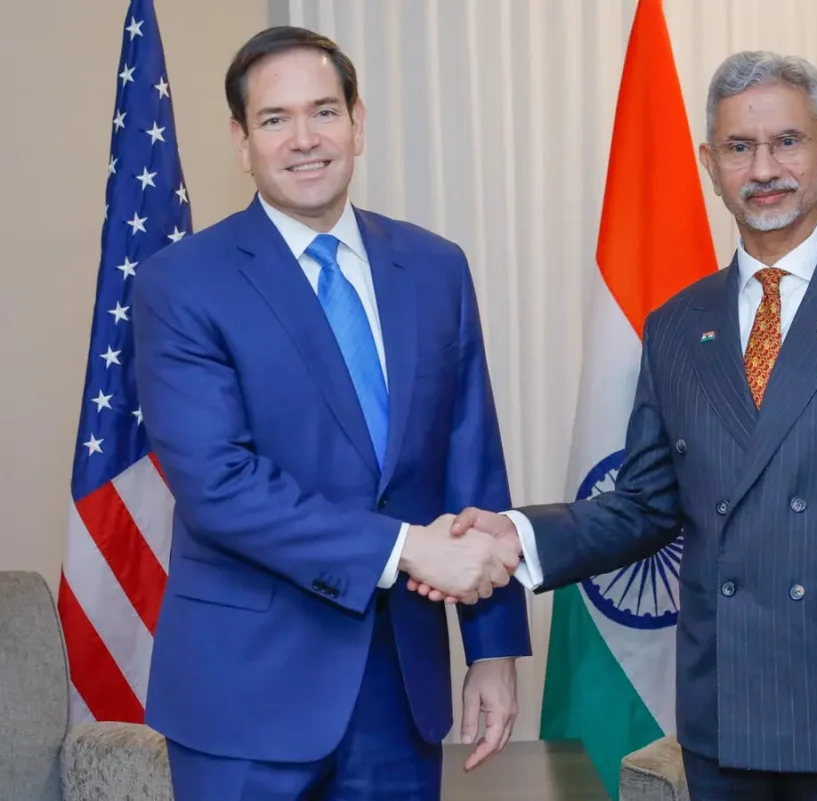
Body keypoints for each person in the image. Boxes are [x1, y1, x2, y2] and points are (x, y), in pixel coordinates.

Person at [413, 51, 817, 801]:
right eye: (739, 147)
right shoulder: (677, 326)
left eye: (788, 140)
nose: (765, 167)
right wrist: (515, 537)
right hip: (725, 718)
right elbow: (646, 504)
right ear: (709, 163)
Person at [131, 26, 529, 801]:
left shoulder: (435, 266)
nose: (305, 139)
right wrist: (408, 547)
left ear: (358, 122)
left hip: (400, 687)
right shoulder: (181, 282)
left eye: (324, 111)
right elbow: (219, 484)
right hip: (245, 693)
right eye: (275, 119)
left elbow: (471, 460)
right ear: (241, 142)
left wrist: (492, 647)